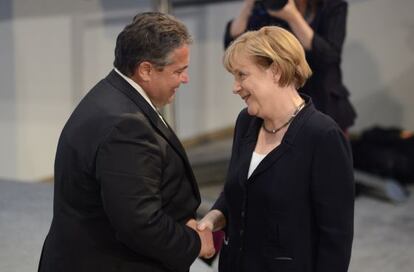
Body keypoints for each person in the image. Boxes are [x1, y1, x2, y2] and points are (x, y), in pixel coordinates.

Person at [38, 12, 215, 272]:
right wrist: (194, 242)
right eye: (178, 71)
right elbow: (139, 222)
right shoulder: (126, 127)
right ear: (145, 70)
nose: (184, 79)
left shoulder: (111, 94)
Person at [198, 26, 354, 272]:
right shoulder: (246, 122)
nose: (235, 87)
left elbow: (335, 238)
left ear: (276, 71)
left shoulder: (323, 136)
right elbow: (238, 189)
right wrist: (213, 217)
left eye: (242, 75)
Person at [224, 0, 356, 131]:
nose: (235, 88)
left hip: (325, 99)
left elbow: (329, 56)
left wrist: (293, 17)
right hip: (282, 106)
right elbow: (235, 45)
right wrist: (248, 5)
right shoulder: (271, 7)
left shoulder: (332, 6)